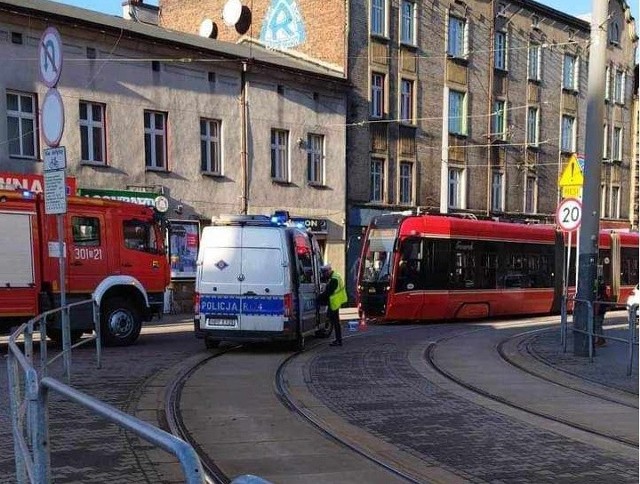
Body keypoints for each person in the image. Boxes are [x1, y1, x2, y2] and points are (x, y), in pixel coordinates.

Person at [319, 264, 348, 347]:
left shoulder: (334, 279)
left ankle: (338, 341)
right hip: (337, 301)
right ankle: (338, 340)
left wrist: (318, 298)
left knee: (335, 322)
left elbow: (328, 292)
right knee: (335, 322)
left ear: (328, 271)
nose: (324, 274)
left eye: (324, 272)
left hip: (335, 302)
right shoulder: (336, 275)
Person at [593, 277, 607, 347]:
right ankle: (600, 339)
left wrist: (595, 312)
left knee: (597, 326)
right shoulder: (603, 294)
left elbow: (598, 304)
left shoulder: (599, 295)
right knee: (599, 326)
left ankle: (601, 340)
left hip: (599, 312)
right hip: (602, 311)